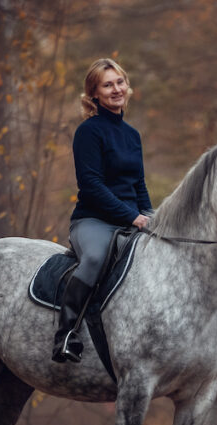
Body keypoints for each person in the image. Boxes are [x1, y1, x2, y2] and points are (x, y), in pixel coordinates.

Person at [53, 58, 152, 363]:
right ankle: (66, 334)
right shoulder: (89, 132)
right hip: (94, 220)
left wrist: (150, 214)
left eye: (119, 82)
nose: (116, 89)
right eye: (107, 85)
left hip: (132, 219)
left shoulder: (132, 135)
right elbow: (92, 185)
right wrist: (131, 216)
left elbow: (138, 184)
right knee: (95, 258)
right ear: (94, 93)